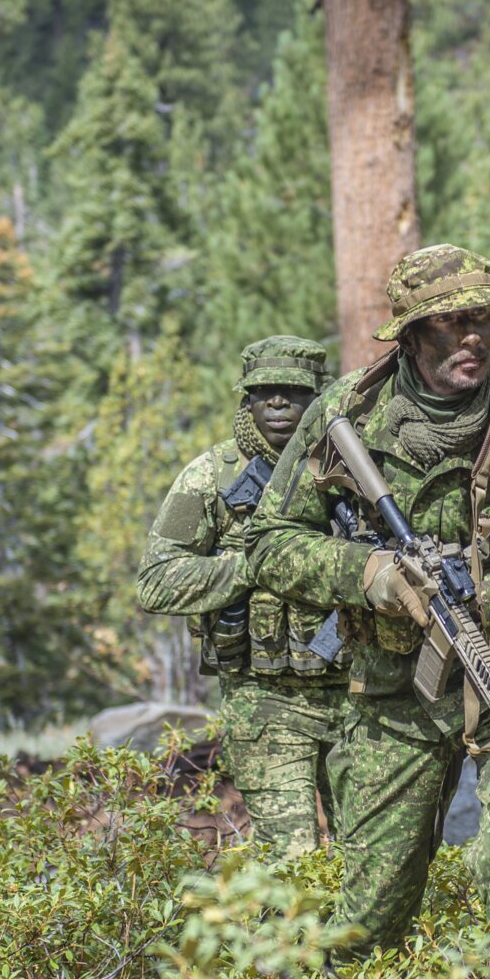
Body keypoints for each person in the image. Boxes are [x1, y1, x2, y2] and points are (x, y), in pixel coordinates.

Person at [246, 245, 490, 968]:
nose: (471, 337)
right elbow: (268, 543)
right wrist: (370, 574)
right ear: (411, 336)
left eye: (483, 318)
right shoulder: (345, 415)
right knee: (365, 920)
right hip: (394, 694)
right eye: (449, 323)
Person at [135, 336, 345, 856]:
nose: (278, 403)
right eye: (264, 391)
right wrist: (255, 564)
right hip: (263, 698)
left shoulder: (355, 471)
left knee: (371, 861)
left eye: (293, 393)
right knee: (290, 858)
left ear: (319, 397)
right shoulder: (211, 476)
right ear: (246, 400)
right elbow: (156, 582)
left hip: (359, 693)